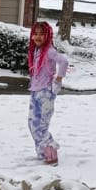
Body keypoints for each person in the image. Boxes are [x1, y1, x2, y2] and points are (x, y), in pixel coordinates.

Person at [27, 20, 69, 165]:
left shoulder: (50, 51)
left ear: (48, 36)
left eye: (41, 34)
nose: (38, 37)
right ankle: (42, 152)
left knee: (40, 125)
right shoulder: (37, 51)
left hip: (45, 93)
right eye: (35, 34)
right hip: (35, 92)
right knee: (32, 123)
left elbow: (63, 61)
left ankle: (51, 153)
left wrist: (57, 81)